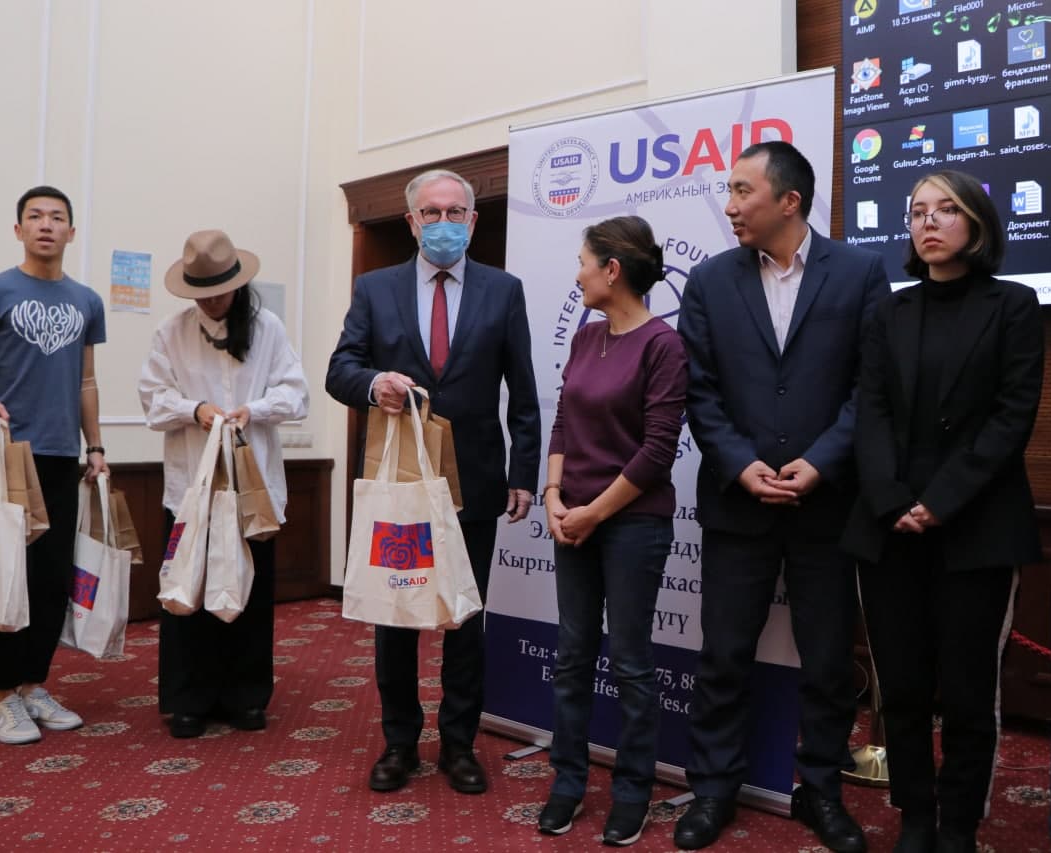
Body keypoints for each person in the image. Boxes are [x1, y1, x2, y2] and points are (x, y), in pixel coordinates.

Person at [674, 141, 889, 852]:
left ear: (789, 200)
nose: (730, 205)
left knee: (828, 660)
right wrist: (740, 465)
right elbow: (699, 391)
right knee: (724, 655)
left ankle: (820, 789)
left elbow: (871, 387)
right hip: (737, 502)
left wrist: (821, 462)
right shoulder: (709, 281)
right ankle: (713, 788)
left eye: (743, 191)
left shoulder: (859, 273)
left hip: (827, 505)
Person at [840, 170, 1043, 853]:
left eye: (946, 210)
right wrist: (893, 498)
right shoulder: (889, 312)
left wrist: (939, 502)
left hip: (976, 525)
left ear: (976, 222)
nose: (928, 222)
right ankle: (916, 817)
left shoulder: (1013, 305)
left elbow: (1012, 416)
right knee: (900, 687)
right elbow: (870, 409)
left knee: (965, 692)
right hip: (888, 525)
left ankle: (957, 824)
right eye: (917, 211)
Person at [326, 168, 541, 795]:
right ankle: (399, 743)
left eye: (454, 213)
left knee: (465, 619)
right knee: (395, 616)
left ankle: (458, 744)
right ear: (411, 221)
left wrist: (522, 472)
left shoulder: (504, 291)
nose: (443, 223)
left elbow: (524, 393)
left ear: (472, 221)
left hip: (475, 481)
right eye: (431, 212)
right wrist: (375, 384)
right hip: (400, 484)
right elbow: (341, 370)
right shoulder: (375, 288)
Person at [537, 216, 688, 846]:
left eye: (583, 262)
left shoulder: (663, 345)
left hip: (631, 526)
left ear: (612, 269)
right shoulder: (584, 336)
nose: (577, 273)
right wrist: (553, 497)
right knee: (571, 656)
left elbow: (657, 453)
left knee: (629, 663)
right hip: (572, 517)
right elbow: (563, 425)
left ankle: (631, 792)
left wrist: (593, 512)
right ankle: (567, 781)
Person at [138, 229, 308, 739]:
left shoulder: (268, 327)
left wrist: (252, 410)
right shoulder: (171, 332)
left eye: (220, 291)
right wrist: (195, 410)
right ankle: (189, 700)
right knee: (186, 590)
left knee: (250, 590)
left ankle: (246, 697)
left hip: (252, 486)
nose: (212, 301)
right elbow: (152, 400)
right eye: (202, 293)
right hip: (191, 487)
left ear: (237, 284)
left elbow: (296, 394)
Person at [0, 186, 108, 744]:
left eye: (57, 217)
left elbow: (87, 380)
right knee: (10, 578)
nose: (46, 225)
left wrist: (95, 447)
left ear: (71, 232)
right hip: (5, 456)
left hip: (60, 456)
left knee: (51, 579)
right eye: (35, 216)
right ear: (18, 229)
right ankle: (2, 697)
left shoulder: (86, 301)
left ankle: (32, 686)